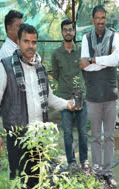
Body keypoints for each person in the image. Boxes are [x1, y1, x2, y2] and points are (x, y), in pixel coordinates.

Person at [0, 24, 75, 189]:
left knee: (36, 183)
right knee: (18, 184)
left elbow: (49, 98)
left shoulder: (40, 68)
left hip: (38, 136)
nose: (30, 46)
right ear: (18, 42)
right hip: (17, 137)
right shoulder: (6, 66)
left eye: (33, 42)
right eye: (26, 41)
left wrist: (68, 104)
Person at [80, 5, 119, 188]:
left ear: (106, 19)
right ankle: (97, 172)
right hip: (94, 96)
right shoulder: (85, 38)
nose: (101, 21)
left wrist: (95, 60)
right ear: (92, 20)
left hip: (110, 96)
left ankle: (108, 171)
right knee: (95, 136)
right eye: (97, 17)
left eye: (103, 17)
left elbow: (115, 60)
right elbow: (84, 66)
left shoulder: (114, 36)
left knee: (109, 137)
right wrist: (105, 61)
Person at [52, 19, 89, 169]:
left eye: (70, 30)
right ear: (61, 32)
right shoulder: (56, 54)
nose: (68, 32)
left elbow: (86, 71)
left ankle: (84, 160)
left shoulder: (81, 51)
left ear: (74, 32)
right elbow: (55, 75)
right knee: (67, 133)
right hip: (64, 97)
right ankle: (71, 162)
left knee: (83, 132)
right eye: (65, 30)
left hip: (80, 96)